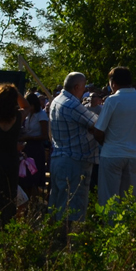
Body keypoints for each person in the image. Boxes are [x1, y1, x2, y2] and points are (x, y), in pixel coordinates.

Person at [94, 66, 136, 207]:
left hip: (112, 154)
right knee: (128, 200)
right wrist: (135, 140)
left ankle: (110, 227)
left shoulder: (113, 100)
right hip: (133, 155)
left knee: (109, 199)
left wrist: (106, 142)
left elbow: (98, 131)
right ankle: (128, 227)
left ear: (113, 82)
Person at [49, 72, 100, 225]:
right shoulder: (72, 104)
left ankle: (55, 242)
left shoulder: (57, 100)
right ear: (77, 87)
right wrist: (92, 128)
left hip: (59, 157)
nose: (84, 91)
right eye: (83, 88)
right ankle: (70, 245)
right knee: (72, 209)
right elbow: (98, 124)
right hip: (74, 161)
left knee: (57, 205)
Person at [0, 83, 27, 225]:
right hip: (11, 162)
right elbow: (27, 106)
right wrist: (15, 92)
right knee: (10, 197)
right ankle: (7, 228)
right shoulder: (18, 116)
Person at [20, 92, 49, 199]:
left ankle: (34, 202)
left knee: (33, 179)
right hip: (27, 147)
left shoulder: (41, 115)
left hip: (36, 148)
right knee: (25, 179)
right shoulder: (28, 115)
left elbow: (44, 136)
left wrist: (29, 138)